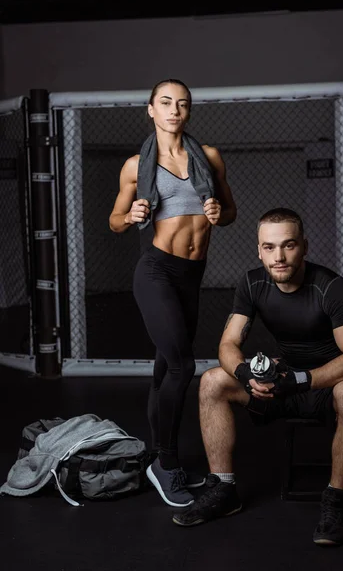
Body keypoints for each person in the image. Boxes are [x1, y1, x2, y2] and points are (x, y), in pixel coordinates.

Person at [173, 208, 343, 546]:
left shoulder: (331, 288)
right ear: (259, 250)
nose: (278, 257)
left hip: (326, 385)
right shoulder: (253, 283)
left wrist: (299, 380)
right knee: (212, 381)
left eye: (288, 245)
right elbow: (228, 343)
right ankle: (223, 489)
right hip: (283, 383)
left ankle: (335, 501)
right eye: (269, 247)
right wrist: (245, 373)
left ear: (305, 246)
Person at [109, 79, 237, 508]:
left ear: (188, 111)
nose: (174, 110)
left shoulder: (210, 158)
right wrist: (130, 214)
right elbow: (113, 221)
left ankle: (156, 455)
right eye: (165, 103)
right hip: (155, 271)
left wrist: (220, 212)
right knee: (183, 366)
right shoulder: (134, 166)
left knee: (165, 369)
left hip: (191, 275)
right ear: (151, 110)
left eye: (182, 104)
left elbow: (231, 212)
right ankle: (166, 462)